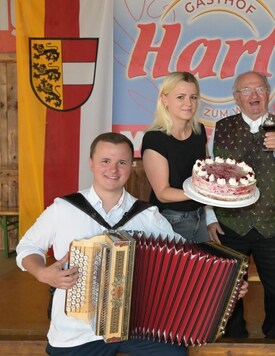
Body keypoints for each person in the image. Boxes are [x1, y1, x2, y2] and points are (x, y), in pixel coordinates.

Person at [15, 132, 188, 355]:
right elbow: (28, 246)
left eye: (122, 163)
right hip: (77, 330)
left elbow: (186, 256)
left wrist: (228, 283)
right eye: (105, 161)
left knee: (175, 353)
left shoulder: (147, 215)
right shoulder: (64, 209)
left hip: (137, 325)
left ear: (131, 165)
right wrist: (42, 273)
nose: (113, 170)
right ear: (91, 163)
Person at [207, 71, 275, 339]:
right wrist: (210, 216)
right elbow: (207, 176)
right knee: (229, 289)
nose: (254, 95)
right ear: (236, 98)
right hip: (231, 224)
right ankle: (233, 338)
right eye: (247, 90)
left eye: (260, 89)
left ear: (268, 94)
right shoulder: (220, 129)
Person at [141, 71, 211, 243]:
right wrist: (203, 193)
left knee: (203, 270)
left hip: (200, 217)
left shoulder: (199, 131)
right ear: (165, 100)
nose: (188, 103)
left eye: (193, 97)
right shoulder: (154, 138)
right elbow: (163, 193)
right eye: (181, 97)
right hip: (170, 220)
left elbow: (206, 173)